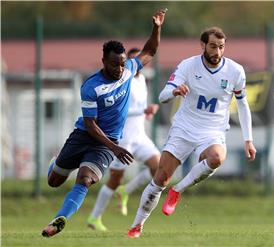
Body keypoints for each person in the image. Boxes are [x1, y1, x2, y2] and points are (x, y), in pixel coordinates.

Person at [41, 8, 167, 238]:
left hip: (104, 145)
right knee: (54, 181)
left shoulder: (129, 69)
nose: (119, 69)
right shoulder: (91, 87)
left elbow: (150, 50)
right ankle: (57, 164)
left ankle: (59, 219)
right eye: (114, 64)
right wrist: (115, 148)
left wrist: (156, 28)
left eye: (121, 63)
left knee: (86, 179)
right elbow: (90, 125)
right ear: (103, 61)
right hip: (84, 136)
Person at [127, 27, 257, 238]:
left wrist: (248, 140)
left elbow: (243, 105)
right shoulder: (188, 66)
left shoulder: (235, 71)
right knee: (161, 177)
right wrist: (175, 91)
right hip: (184, 128)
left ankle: (177, 191)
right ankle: (136, 226)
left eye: (221, 47)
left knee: (216, 157)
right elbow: (162, 96)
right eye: (213, 46)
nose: (217, 52)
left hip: (213, 130)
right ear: (203, 45)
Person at [86, 47, 161, 231]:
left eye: (139, 61)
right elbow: (121, 111)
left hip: (139, 136)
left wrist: (147, 113)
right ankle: (94, 218)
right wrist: (142, 111)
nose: (136, 65)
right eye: (133, 60)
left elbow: (139, 107)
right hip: (123, 139)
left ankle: (125, 191)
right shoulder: (122, 81)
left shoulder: (142, 79)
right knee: (115, 179)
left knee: (159, 168)